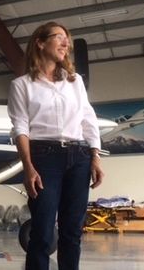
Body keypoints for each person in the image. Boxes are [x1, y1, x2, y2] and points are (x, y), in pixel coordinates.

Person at [7, 22, 104, 270]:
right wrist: (28, 167)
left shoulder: (75, 82)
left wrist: (95, 155)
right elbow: (21, 128)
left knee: (72, 232)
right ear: (40, 42)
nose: (66, 43)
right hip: (44, 158)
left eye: (67, 39)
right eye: (59, 37)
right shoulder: (21, 85)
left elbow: (87, 117)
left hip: (79, 155)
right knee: (42, 232)